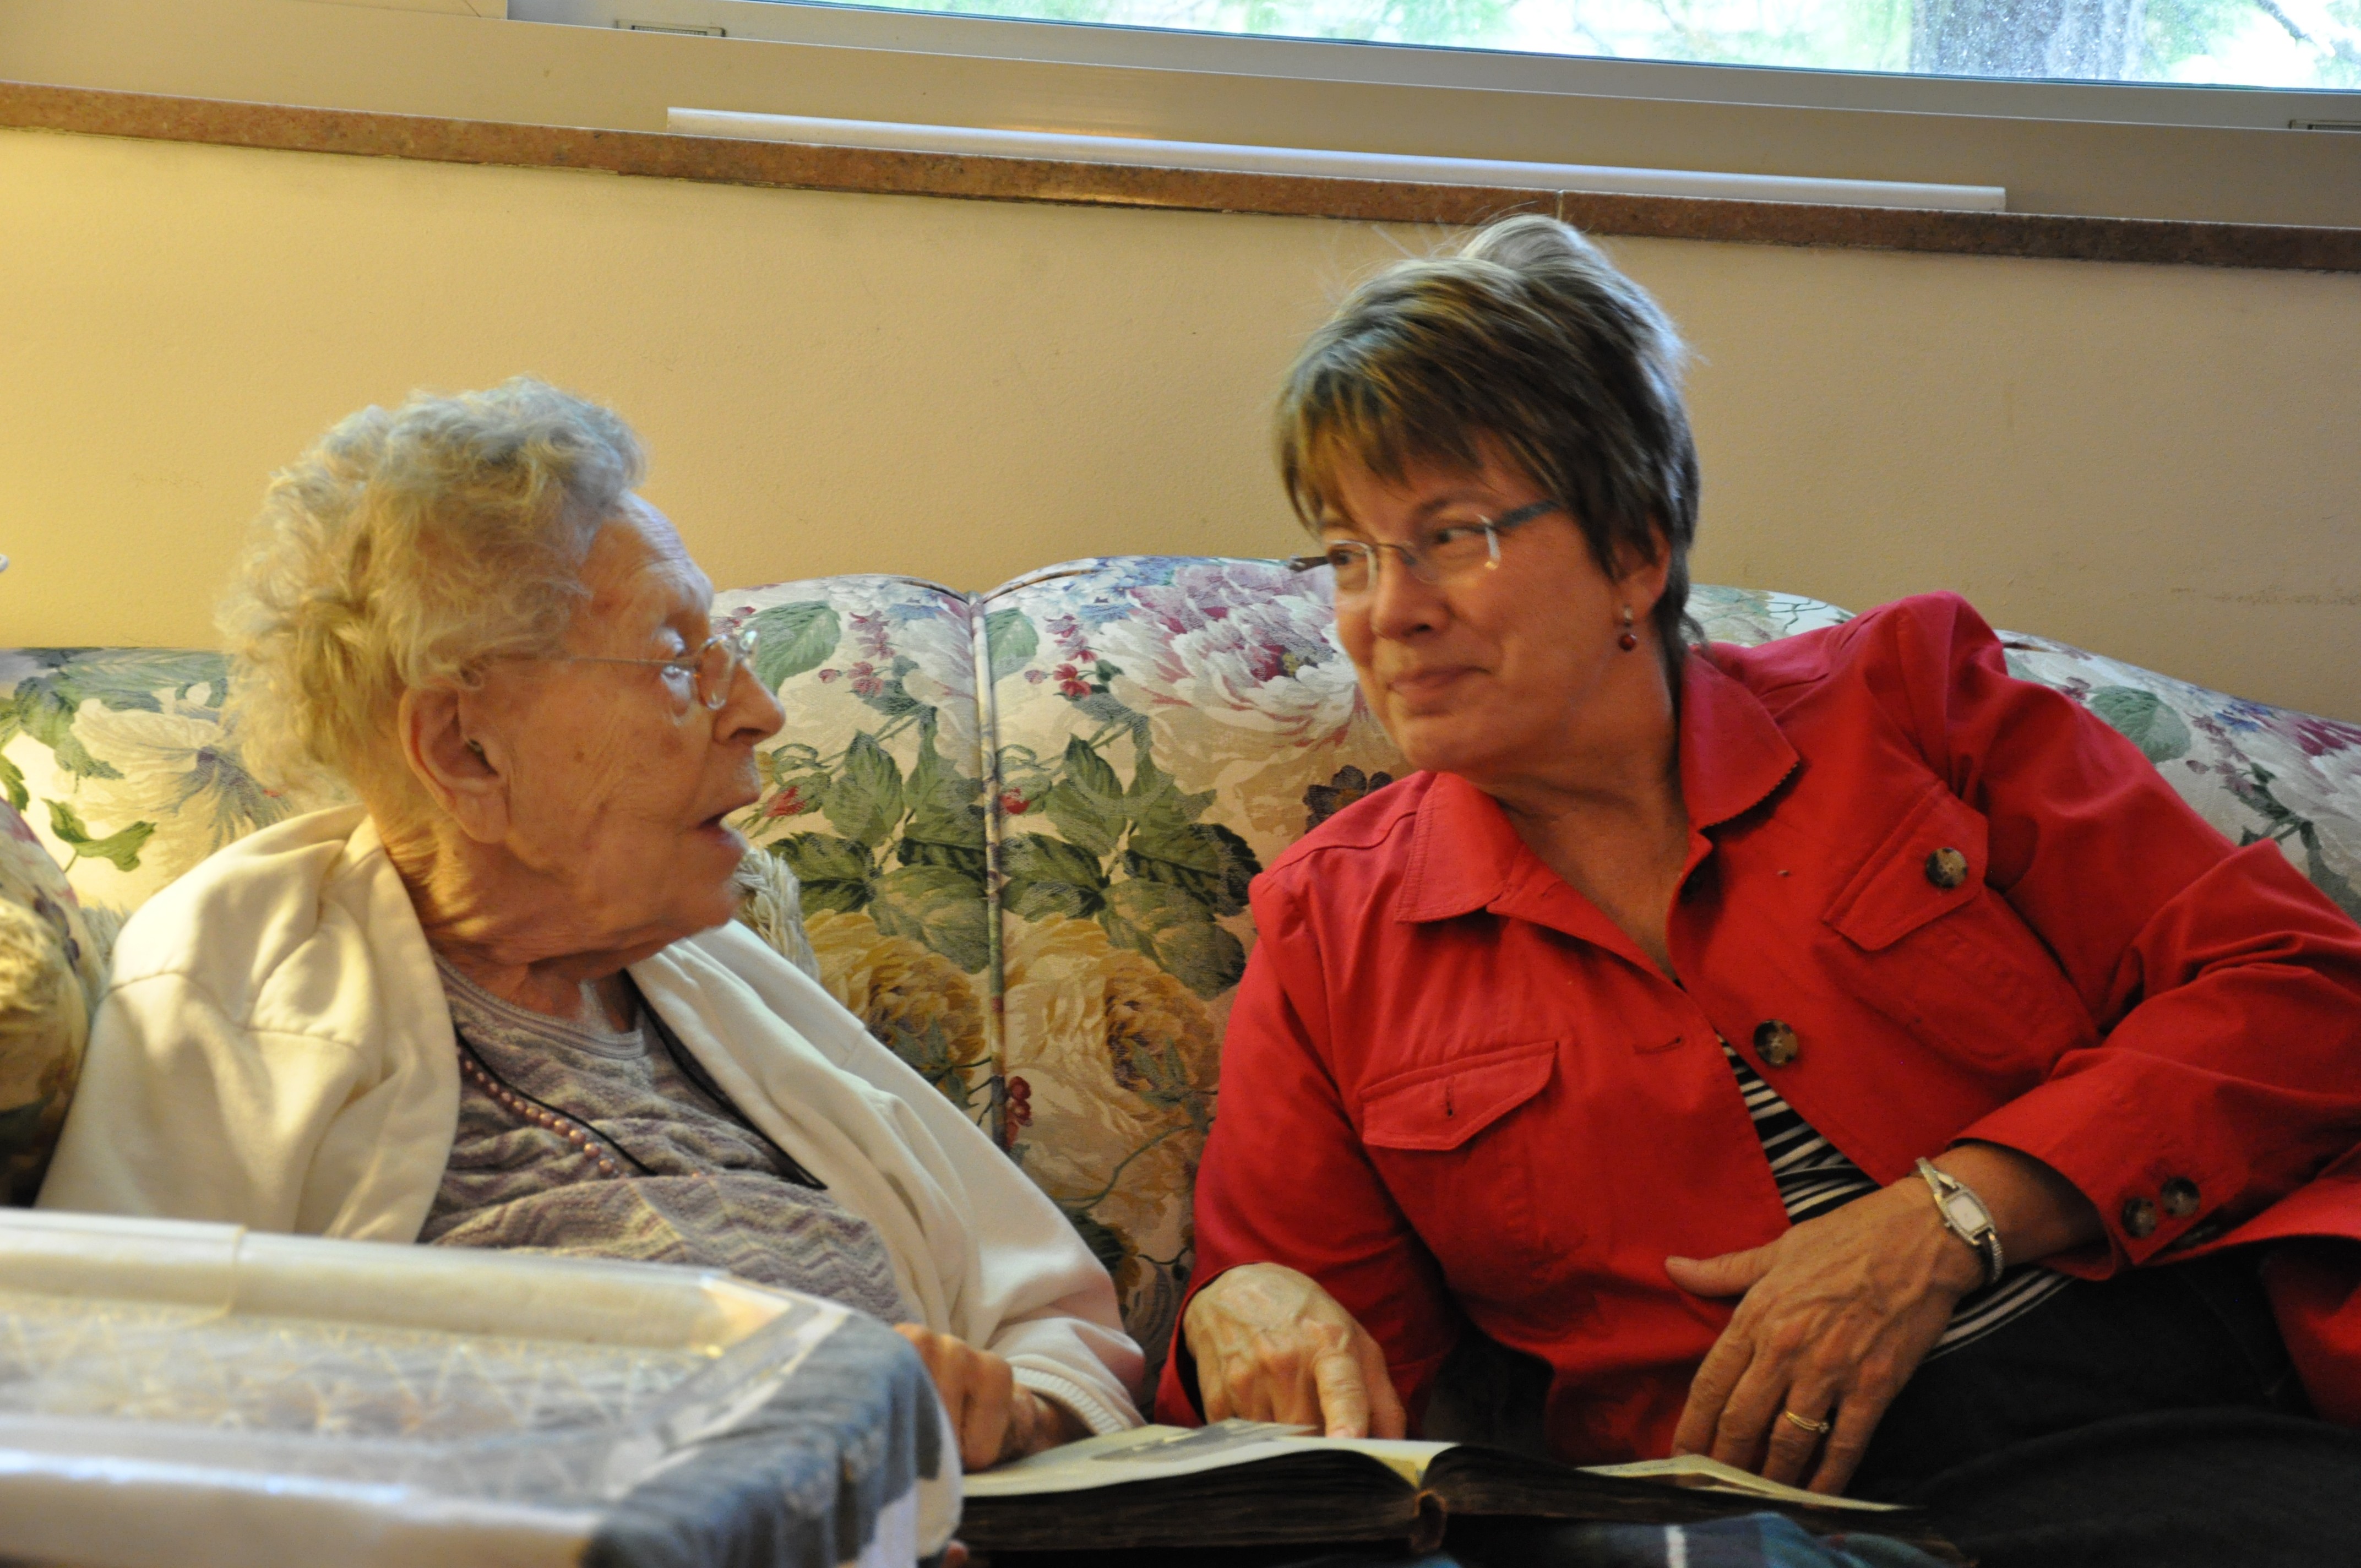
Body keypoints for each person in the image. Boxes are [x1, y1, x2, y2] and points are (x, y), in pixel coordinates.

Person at [1158, 216, 2361, 1559]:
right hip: (1745, 1525)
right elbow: (1308, 1446)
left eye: (1450, 535)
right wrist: (1241, 1307)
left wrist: (1950, 1214)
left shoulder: (1910, 708)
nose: (1388, 610)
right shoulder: (1330, 929)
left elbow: (2300, 996)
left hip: (2158, 1421)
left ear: (1633, 550)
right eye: (1345, 554)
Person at [39, 379, 1142, 1469]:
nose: (759, 711)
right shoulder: (240, 969)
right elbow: (108, 1407)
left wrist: (1005, 1412)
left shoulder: (719, 972)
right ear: (467, 750)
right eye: (677, 662)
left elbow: (1051, 1321)